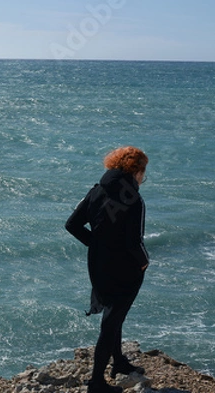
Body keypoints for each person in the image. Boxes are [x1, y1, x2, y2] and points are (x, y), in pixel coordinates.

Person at [65, 146, 149, 393]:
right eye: (144, 172)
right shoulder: (133, 198)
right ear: (136, 171)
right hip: (125, 269)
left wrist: (98, 245)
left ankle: (119, 362)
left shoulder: (97, 190)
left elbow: (72, 225)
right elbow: (135, 241)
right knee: (112, 320)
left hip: (99, 265)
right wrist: (144, 261)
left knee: (114, 314)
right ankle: (96, 382)